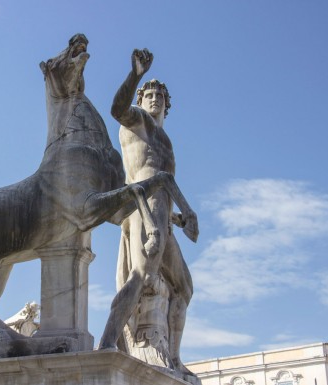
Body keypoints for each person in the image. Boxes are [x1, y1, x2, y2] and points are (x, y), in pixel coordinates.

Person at [99, 48, 198, 377]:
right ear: (141, 100)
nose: (154, 99)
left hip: (163, 217)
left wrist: (178, 218)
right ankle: (107, 344)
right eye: (149, 94)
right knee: (139, 278)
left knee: (184, 287)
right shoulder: (136, 122)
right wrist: (135, 75)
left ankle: (174, 357)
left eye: (160, 96)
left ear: (167, 105)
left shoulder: (166, 140)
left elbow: (165, 183)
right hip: (141, 210)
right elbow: (115, 108)